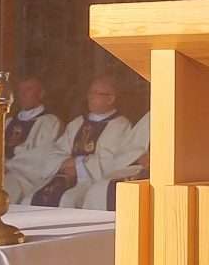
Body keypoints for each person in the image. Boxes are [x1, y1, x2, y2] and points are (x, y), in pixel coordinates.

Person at [29, 75, 134, 208]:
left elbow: (112, 160)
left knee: (68, 200)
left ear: (110, 99)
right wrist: (65, 164)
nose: (90, 97)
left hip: (90, 182)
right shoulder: (77, 123)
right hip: (62, 177)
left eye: (96, 93)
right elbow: (56, 150)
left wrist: (78, 166)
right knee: (29, 199)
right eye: (90, 93)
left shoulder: (120, 125)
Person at [0, 75, 63, 201]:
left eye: (28, 89)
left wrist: (9, 165)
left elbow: (42, 155)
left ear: (41, 93)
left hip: (24, 178)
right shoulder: (7, 122)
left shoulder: (49, 122)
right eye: (20, 90)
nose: (23, 94)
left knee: (1, 196)